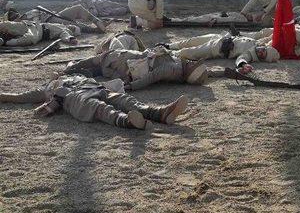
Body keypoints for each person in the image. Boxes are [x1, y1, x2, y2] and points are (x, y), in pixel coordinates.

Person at [0, 75, 188, 130]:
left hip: (96, 87)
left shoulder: (78, 75)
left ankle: (159, 113)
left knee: (124, 99)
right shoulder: (46, 89)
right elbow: (17, 97)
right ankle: (128, 122)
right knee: (99, 108)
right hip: (73, 97)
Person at [64, 47, 208, 91]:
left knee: (103, 59)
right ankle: (74, 68)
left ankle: (71, 68)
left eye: (193, 65)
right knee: (101, 65)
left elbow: (151, 78)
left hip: (127, 64)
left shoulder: (172, 69)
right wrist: (221, 72)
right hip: (131, 63)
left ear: (190, 71)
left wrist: (130, 87)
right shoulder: (179, 68)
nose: (192, 62)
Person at [15, 4, 107, 33]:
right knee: (74, 25)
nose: (15, 16)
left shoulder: (28, 14)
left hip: (55, 16)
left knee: (78, 8)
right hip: (51, 22)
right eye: (12, 16)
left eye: (14, 14)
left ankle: (98, 22)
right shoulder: (21, 25)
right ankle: (95, 30)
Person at [0, 21, 80, 46]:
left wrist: (71, 38)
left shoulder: (64, 30)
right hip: (30, 24)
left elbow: (65, 34)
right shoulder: (60, 24)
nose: (71, 26)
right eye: (72, 26)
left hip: (39, 31)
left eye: (73, 28)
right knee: (6, 24)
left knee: (30, 38)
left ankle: (5, 42)